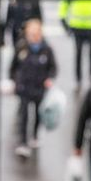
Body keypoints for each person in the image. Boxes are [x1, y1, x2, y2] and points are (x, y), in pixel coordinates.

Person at [8, 18, 56, 158]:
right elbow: (13, 67)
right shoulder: (21, 47)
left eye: (36, 33)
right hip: (24, 87)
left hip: (39, 88)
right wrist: (14, 81)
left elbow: (53, 68)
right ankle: (23, 141)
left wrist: (49, 79)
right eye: (31, 34)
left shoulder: (47, 49)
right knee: (23, 115)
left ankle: (34, 135)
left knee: (37, 114)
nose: (34, 36)